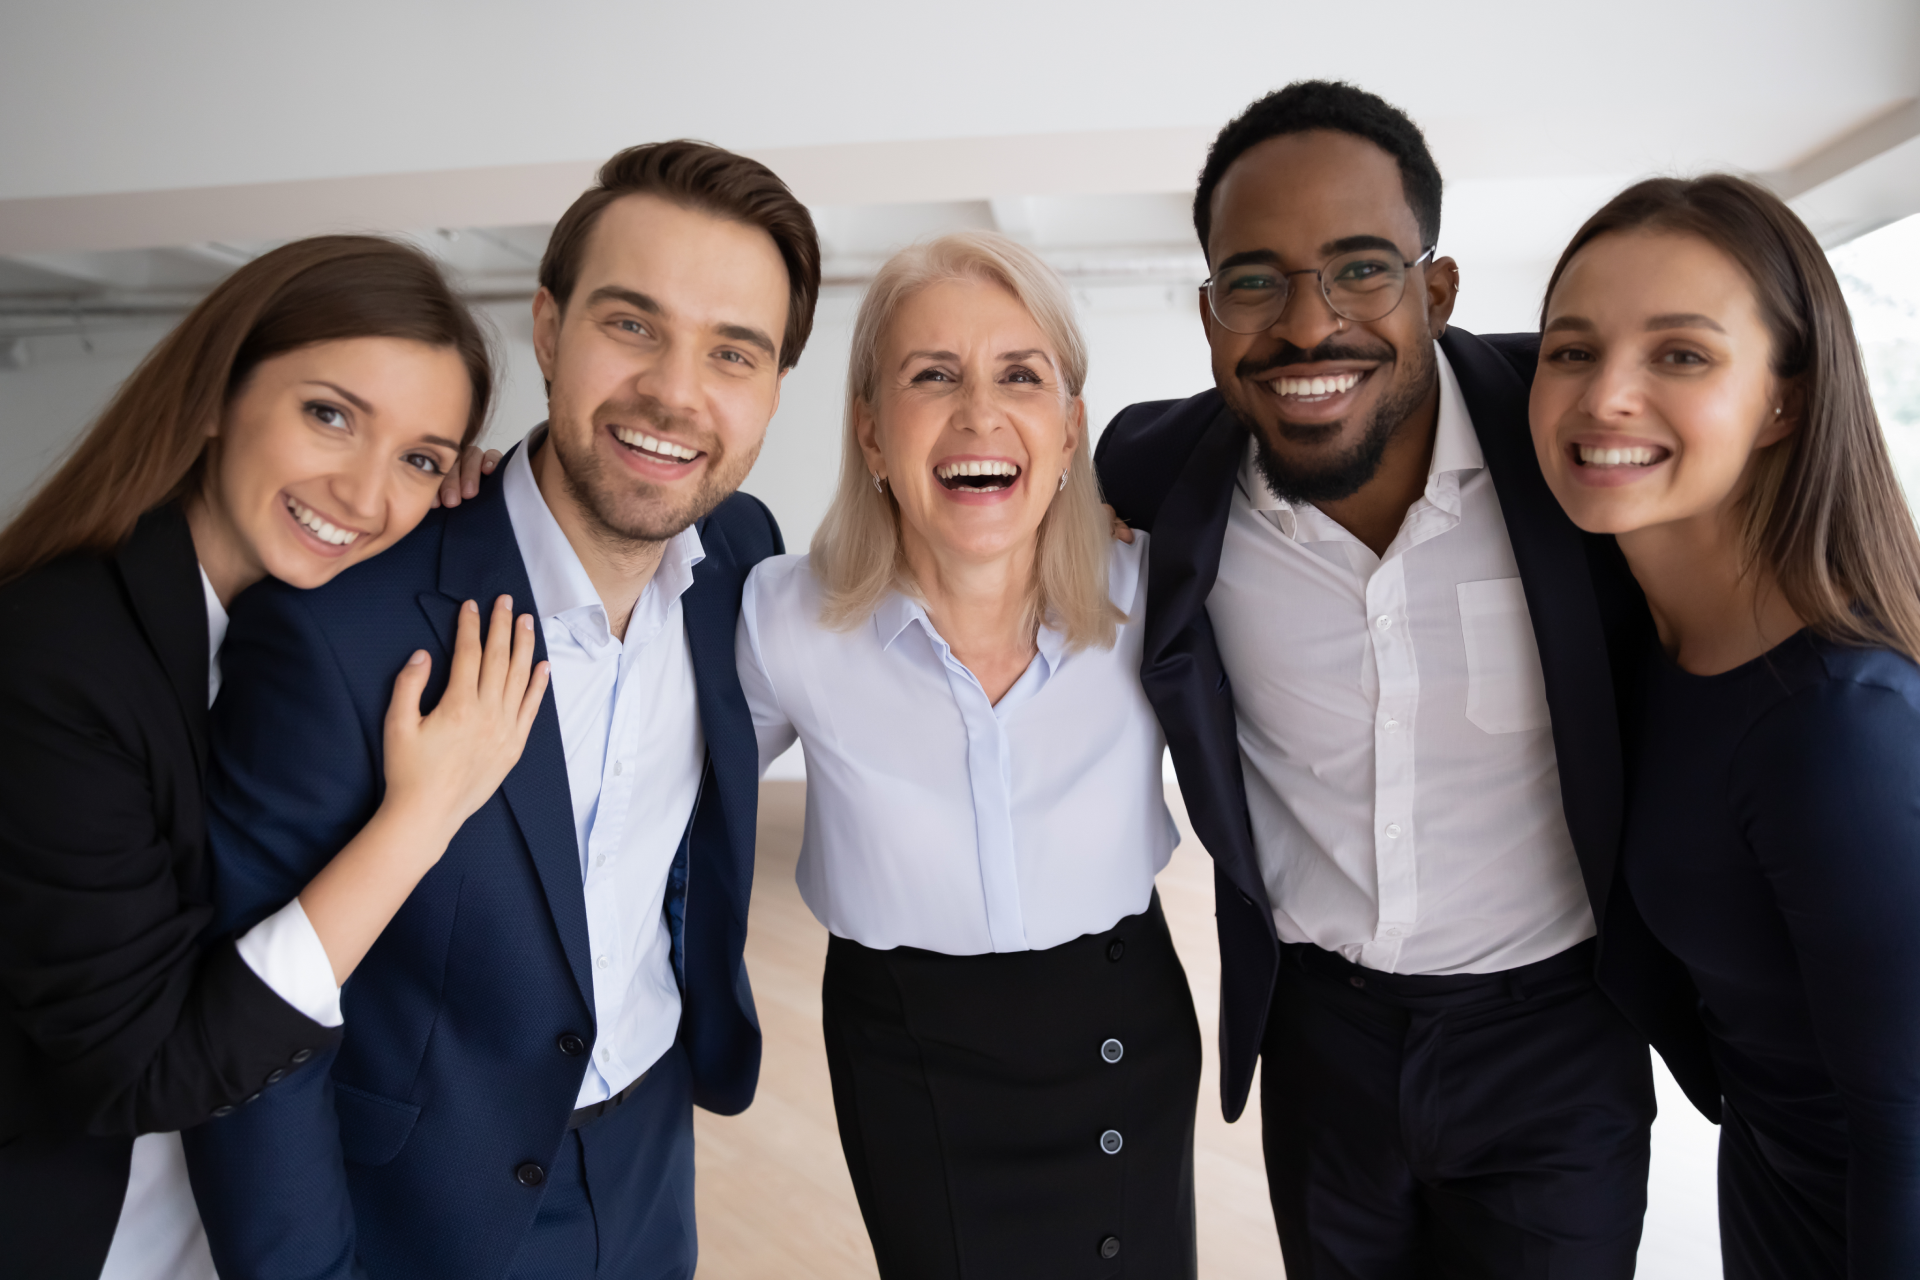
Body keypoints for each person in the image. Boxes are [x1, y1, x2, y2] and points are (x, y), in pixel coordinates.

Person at [181, 140, 820, 1280]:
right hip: (418, 1207)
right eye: (632, 324)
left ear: (775, 387)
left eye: (735, 351)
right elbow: (255, 1015)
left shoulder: (740, 552)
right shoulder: (343, 627)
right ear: (547, 326)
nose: (677, 390)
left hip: (649, 1158)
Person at [1096, 81, 1683, 1277]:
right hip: (1324, 1039)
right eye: (1255, 280)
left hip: (1556, 1040)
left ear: (1439, 289)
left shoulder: (1574, 445)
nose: (1308, 326)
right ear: (1211, 311)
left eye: (1361, 267)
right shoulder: (1157, 471)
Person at [0, 235, 543, 1280]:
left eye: (421, 456)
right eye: (329, 414)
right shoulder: (54, 658)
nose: (366, 492)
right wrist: (418, 821)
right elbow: (140, 1067)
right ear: (214, 394)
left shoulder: (281, 640)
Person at [737, 230, 1201, 1278]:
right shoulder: (782, 619)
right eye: (931, 375)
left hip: (1120, 1030)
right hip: (908, 1055)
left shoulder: (1155, 595)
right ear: (869, 432)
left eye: (1020, 376)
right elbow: (657, 783)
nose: (979, 413)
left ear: (1071, 428)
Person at [1531, 174, 1920, 1278]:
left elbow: (1910, 1133)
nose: (1607, 394)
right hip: (1776, 1192)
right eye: (1571, 349)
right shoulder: (1655, 644)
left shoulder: (1838, 726)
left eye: (1682, 355)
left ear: (1786, 400)